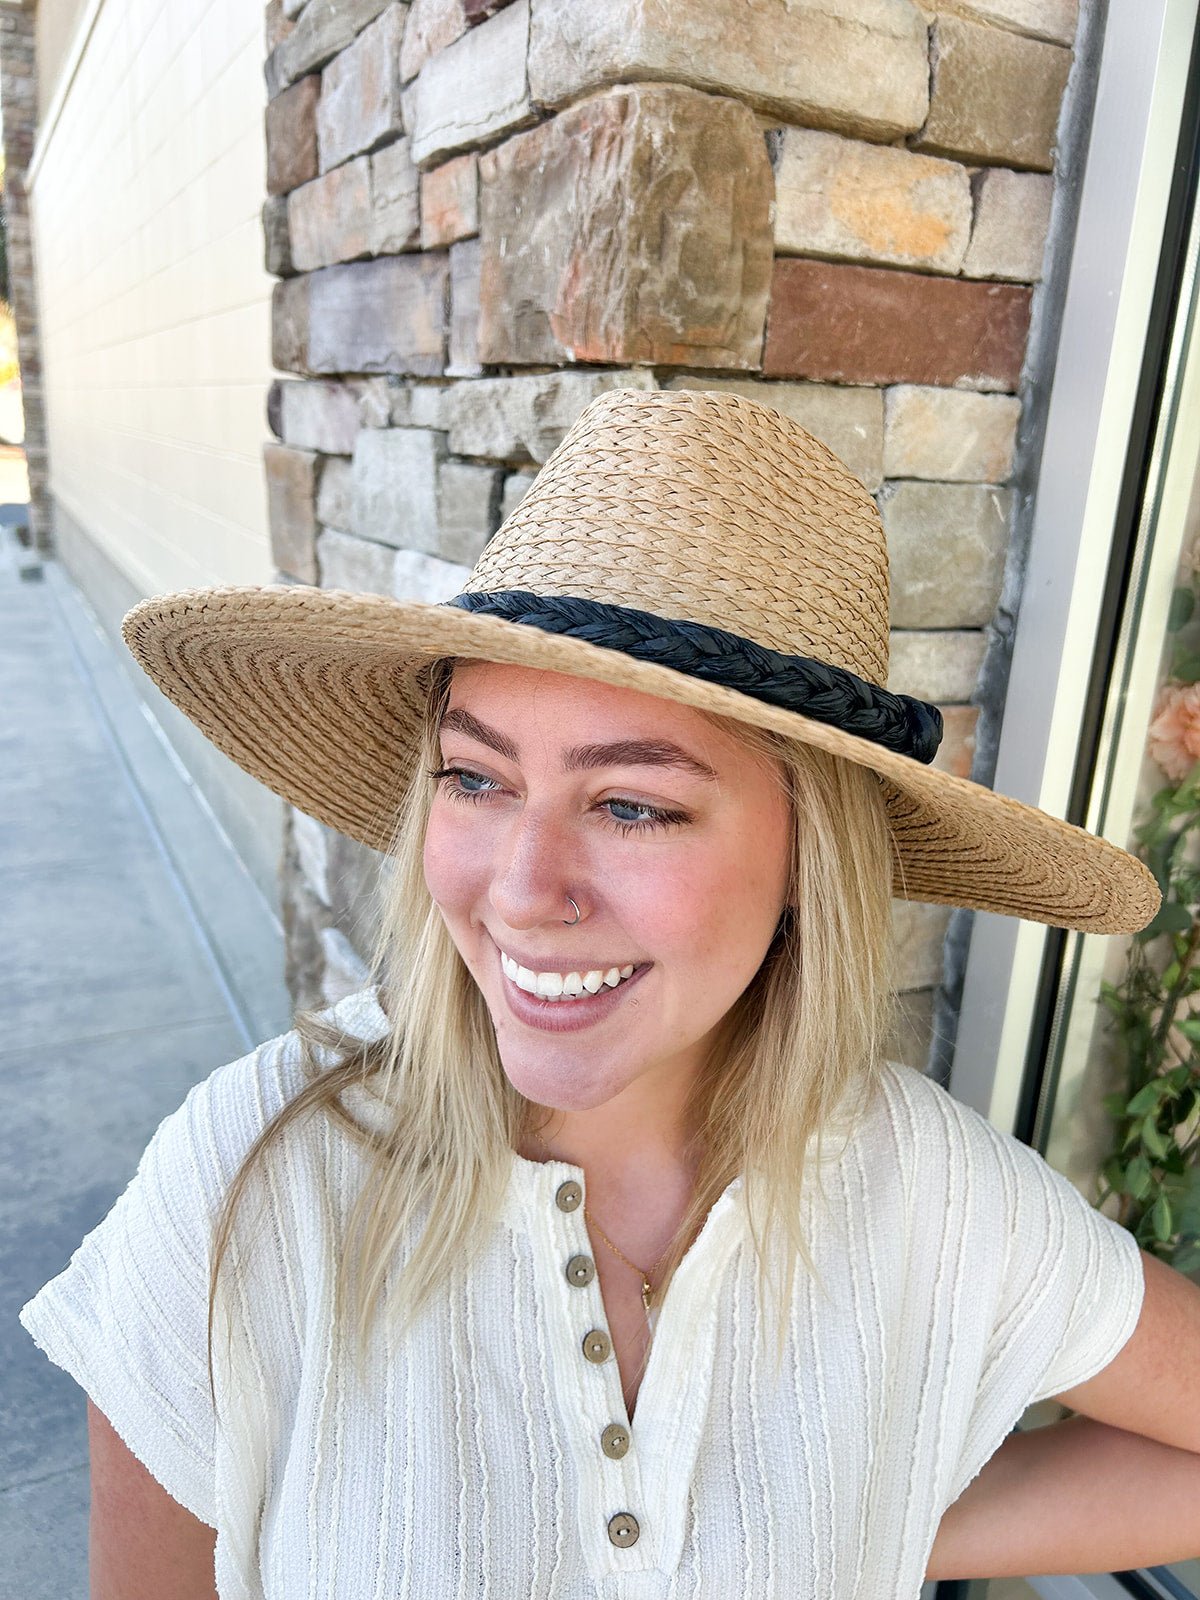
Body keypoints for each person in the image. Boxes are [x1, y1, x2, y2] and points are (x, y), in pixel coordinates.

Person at [19, 388, 1200, 1599]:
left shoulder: (935, 1198)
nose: (522, 893)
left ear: (809, 862)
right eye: (474, 780)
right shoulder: (250, 1185)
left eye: (634, 804)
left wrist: (869, 1513)